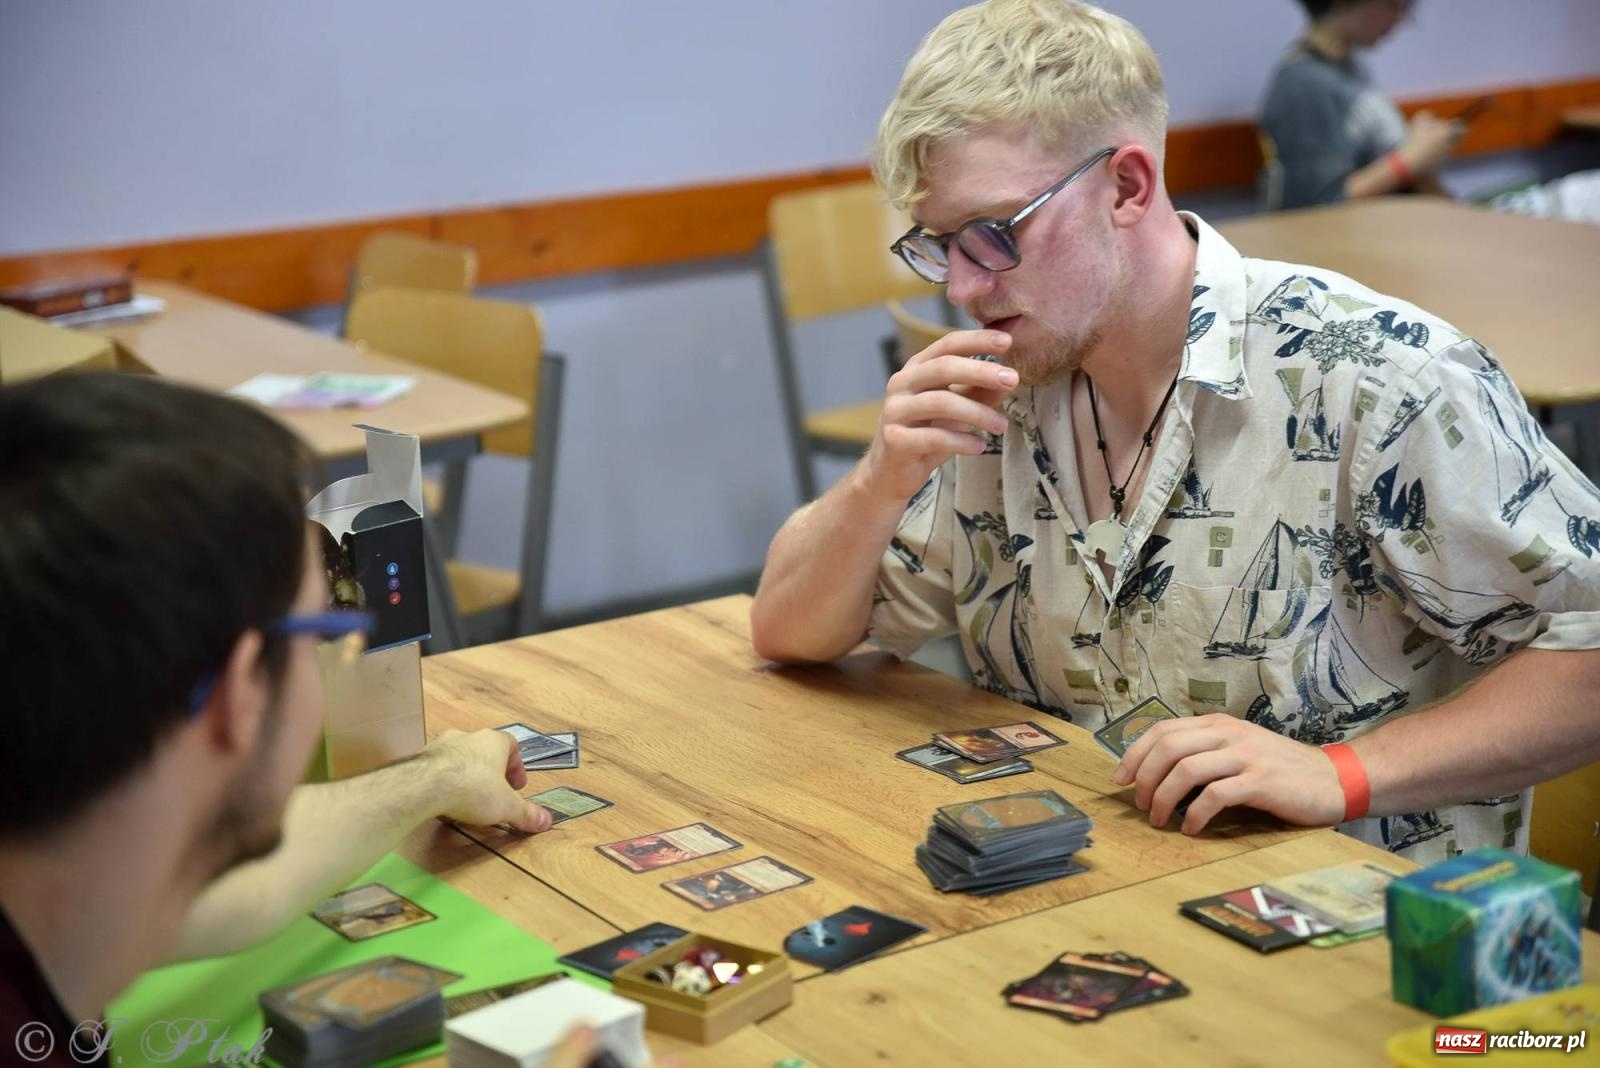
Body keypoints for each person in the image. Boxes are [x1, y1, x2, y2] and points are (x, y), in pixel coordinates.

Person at [750, 0, 1600, 866]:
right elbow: (786, 631)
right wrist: (879, 481)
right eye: (939, 245)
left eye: (995, 234)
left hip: (1367, 937)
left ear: (1127, 186)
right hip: (1096, 894)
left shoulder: (1382, 379)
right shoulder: (1012, 381)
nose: (963, 288)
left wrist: (1344, 774)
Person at [0, 372, 557, 1065]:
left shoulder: (72, 879)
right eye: (323, 630)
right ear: (241, 695)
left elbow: (242, 883)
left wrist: (438, 776)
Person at [1259, 0, 1463, 209]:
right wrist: (1411, 159)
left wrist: (1420, 146)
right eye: (1393, 5)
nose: (1399, 20)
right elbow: (1318, 204)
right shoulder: (1303, 83)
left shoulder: (1347, 68)